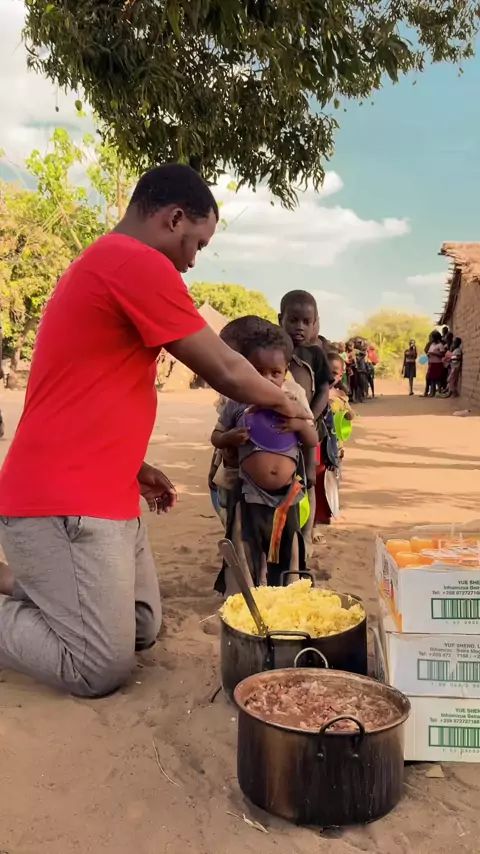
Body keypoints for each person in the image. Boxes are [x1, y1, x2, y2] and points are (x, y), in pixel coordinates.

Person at [0, 164, 306, 698]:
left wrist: (131, 465)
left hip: (101, 488)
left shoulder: (105, 264)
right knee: (97, 667)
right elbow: (226, 368)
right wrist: (288, 401)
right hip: (62, 500)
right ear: (174, 218)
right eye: (197, 244)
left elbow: (73, 391)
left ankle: (37, 586)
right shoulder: (133, 262)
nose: (193, 261)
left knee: (141, 628)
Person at [211, 326, 317, 587]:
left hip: (287, 496)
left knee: (286, 549)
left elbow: (312, 439)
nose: (267, 379)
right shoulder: (237, 403)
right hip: (249, 493)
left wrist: (298, 425)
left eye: (275, 373)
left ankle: (285, 593)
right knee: (247, 544)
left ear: (285, 372)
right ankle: (249, 593)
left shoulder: (293, 401)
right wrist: (229, 438)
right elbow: (216, 436)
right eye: (258, 372)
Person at [278, 291, 334, 545]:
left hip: (310, 430)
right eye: (293, 320)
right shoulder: (273, 349)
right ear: (280, 319)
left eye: (306, 321)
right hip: (280, 428)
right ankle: (280, 534)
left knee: (308, 480)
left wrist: (310, 418)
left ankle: (306, 534)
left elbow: (323, 389)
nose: (299, 327)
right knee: (283, 480)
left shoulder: (315, 354)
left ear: (314, 323)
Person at [425, 330, 446, 397]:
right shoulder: (432, 345)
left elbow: (443, 354)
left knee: (437, 378)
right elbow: (428, 351)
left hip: (437, 363)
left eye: (431, 337)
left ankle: (438, 391)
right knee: (431, 378)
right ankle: (432, 392)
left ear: (435, 337)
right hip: (431, 363)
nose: (430, 338)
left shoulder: (440, 345)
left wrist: (434, 354)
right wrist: (429, 355)